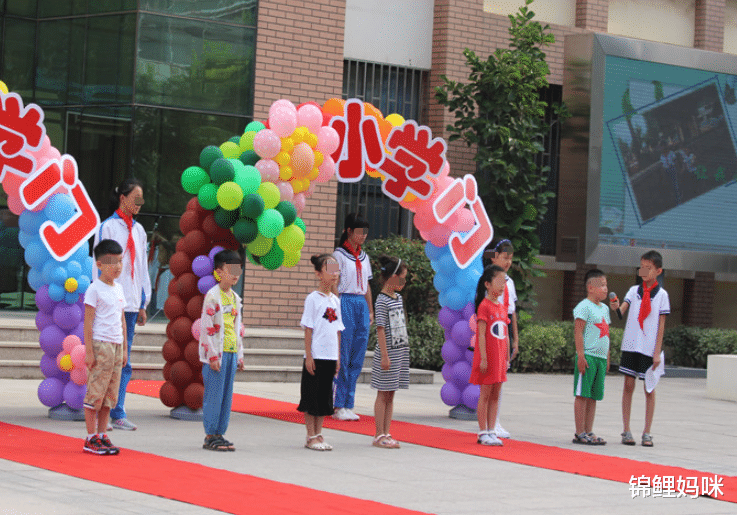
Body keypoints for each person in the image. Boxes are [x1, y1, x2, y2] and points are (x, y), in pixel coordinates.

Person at [93, 178, 151, 431]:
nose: (139, 204)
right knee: (106, 357)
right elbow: (100, 263)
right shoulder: (108, 227)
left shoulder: (139, 231)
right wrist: (102, 297)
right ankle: (98, 408)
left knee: (124, 359)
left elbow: (141, 268)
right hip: (110, 302)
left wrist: (142, 301)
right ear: (123, 198)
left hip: (130, 303)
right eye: (135, 198)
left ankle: (118, 411)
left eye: (142, 200)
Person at [610, 250, 670, 447]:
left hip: (649, 348)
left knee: (649, 389)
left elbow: (661, 325)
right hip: (631, 344)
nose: (643, 271)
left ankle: (647, 432)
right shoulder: (633, 291)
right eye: (641, 266)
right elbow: (621, 312)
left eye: (648, 268)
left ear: (658, 271)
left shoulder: (662, 295)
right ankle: (626, 430)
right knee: (628, 386)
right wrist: (615, 307)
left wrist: (656, 352)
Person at [82, 239, 127, 455]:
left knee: (110, 395)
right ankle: (90, 438)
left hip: (117, 346)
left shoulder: (119, 288)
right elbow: (88, 322)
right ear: (99, 264)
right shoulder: (94, 289)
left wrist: (125, 348)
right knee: (96, 393)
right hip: (101, 345)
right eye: (111, 262)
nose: (117, 266)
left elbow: (122, 320)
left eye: (120, 261)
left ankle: (102, 435)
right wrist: (90, 352)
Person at [199, 250, 245, 451]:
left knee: (227, 396)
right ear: (219, 272)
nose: (236, 274)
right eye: (231, 269)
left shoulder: (235, 298)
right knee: (214, 395)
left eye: (239, 269)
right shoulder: (212, 296)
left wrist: (240, 355)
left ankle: (220, 433)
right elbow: (207, 328)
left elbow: (237, 328)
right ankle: (210, 435)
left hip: (231, 352)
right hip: (216, 354)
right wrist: (212, 356)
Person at [298, 254, 344, 451]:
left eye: (336, 269)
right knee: (312, 396)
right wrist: (309, 355)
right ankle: (310, 436)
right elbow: (308, 328)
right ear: (318, 274)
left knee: (325, 397)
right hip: (316, 356)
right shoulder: (313, 299)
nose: (335, 274)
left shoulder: (335, 300)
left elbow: (338, 330)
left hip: (330, 356)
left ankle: (319, 434)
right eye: (330, 269)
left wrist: (338, 357)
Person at [332, 213, 373, 421]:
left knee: (357, 355)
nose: (363, 236)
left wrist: (370, 309)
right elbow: (333, 283)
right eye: (359, 232)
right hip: (344, 301)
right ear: (349, 231)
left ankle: (349, 402)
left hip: (360, 305)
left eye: (365, 232)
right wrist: (334, 307)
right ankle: (338, 404)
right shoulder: (338, 255)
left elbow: (366, 286)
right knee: (344, 353)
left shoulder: (365, 257)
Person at [371, 256, 409, 449]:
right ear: (393, 277)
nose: (403, 282)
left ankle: (387, 431)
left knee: (391, 393)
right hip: (388, 353)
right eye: (402, 278)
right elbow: (380, 328)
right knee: (382, 392)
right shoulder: (381, 300)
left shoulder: (398, 298)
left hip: (400, 350)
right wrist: (385, 355)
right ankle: (378, 434)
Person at [470, 265, 510, 446]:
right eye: (498, 282)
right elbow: (481, 334)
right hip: (488, 358)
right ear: (487, 284)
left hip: (500, 358)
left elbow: (505, 334)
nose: (502, 286)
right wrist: (484, 358)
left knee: (496, 394)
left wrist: (507, 356)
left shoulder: (501, 307)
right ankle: (482, 431)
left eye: (504, 282)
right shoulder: (484, 306)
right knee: (485, 395)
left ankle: (492, 430)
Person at [483, 239, 518, 439]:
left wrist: (515, 340)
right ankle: (487, 424)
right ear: (494, 256)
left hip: (504, 333)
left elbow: (511, 313)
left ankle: (495, 422)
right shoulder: (486, 279)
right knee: (490, 380)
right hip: (491, 333)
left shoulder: (509, 283)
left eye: (511, 259)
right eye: (505, 257)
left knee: (501, 377)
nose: (508, 262)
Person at [572, 269, 611, 445]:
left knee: (594, 396)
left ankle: (589, 430)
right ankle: (580, 432)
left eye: (606, 285)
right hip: (588, 356)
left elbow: (606, 334)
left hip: (600, 358)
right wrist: (581, 355)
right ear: (590, 288)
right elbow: (578, 332)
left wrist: (607, 356)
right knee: (582, 395)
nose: (605, 288)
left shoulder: (605, 309)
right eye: (601, 285)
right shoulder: (583, 307)